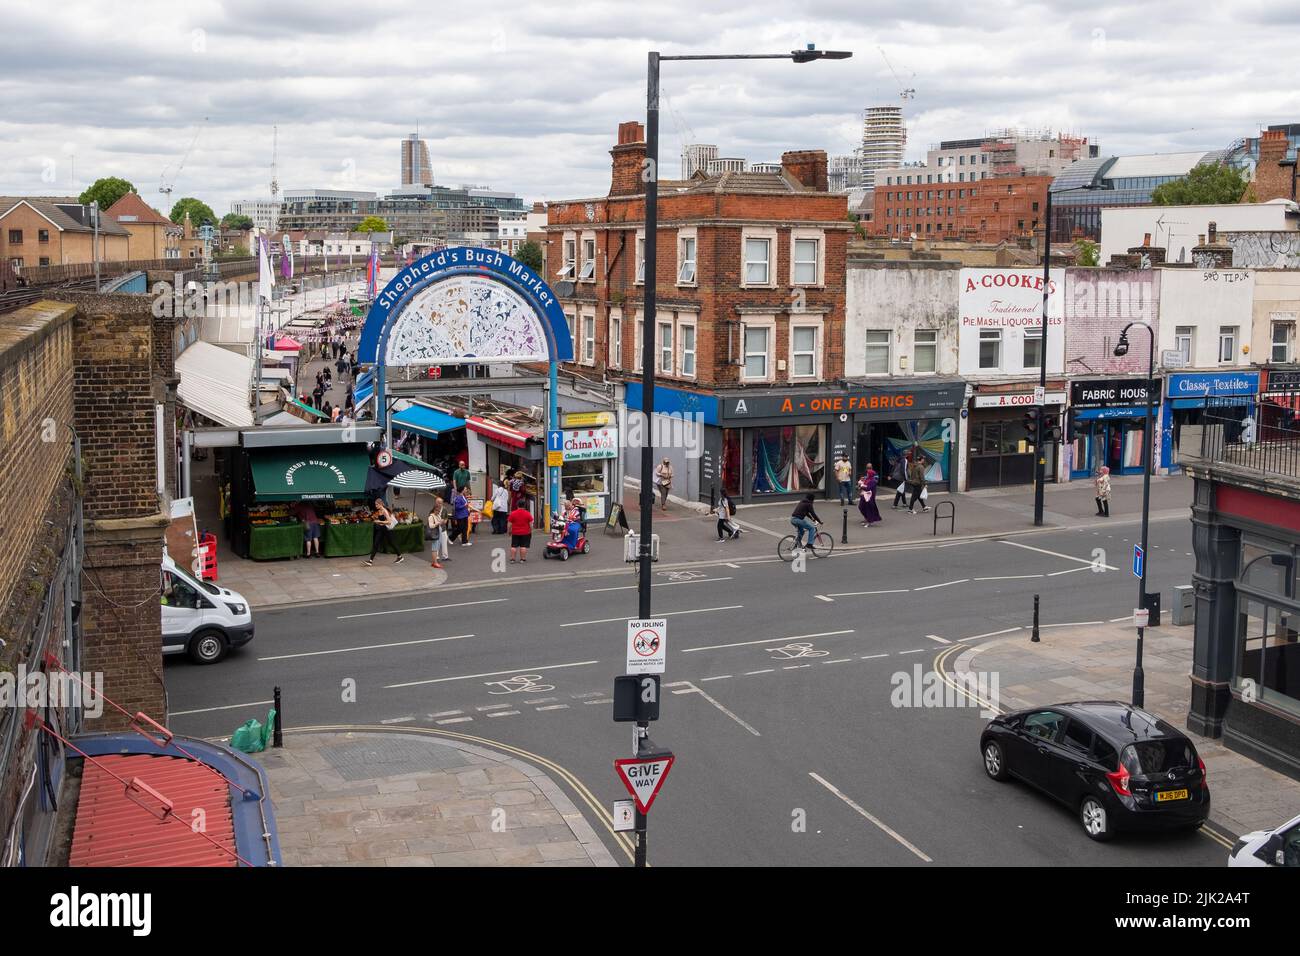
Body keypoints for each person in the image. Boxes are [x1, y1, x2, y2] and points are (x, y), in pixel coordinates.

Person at [365, 498, 403, 566]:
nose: (375, 506)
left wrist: (379, 521)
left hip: (387, 530)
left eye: (376, 504)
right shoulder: (379, 510)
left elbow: (389, 522)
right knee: (376, 544)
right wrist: (377, 520)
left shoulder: (384, 511)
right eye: (375, 504)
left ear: (380, 504)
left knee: (392, 543)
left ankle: (400, 556)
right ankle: (370, 561)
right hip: (381, 530)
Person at [508, 496, 534, 562]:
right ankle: (522, 559)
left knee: (513, 546)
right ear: (524, 505)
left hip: (515, 532)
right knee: (523, 546)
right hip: (525, 533)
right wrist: (531, 530)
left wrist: (509, 531)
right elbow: (531, 524)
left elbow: (509, 524)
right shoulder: (528, 514)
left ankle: (512, 559)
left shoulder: (513, 514)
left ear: (517, 505)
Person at [427, 496, 451, 566]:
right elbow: (430, 520)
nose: (439, 504)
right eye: (438, 502)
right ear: (436, 502)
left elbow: (446, 519)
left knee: (444, 542)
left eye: (441, 503)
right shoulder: (432, 510)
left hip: (443, 528)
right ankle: (436, 557)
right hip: (435, 530)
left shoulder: (445, 509)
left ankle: (445, 556)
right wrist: (438, 522)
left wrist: (444, 521)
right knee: (436, 544)